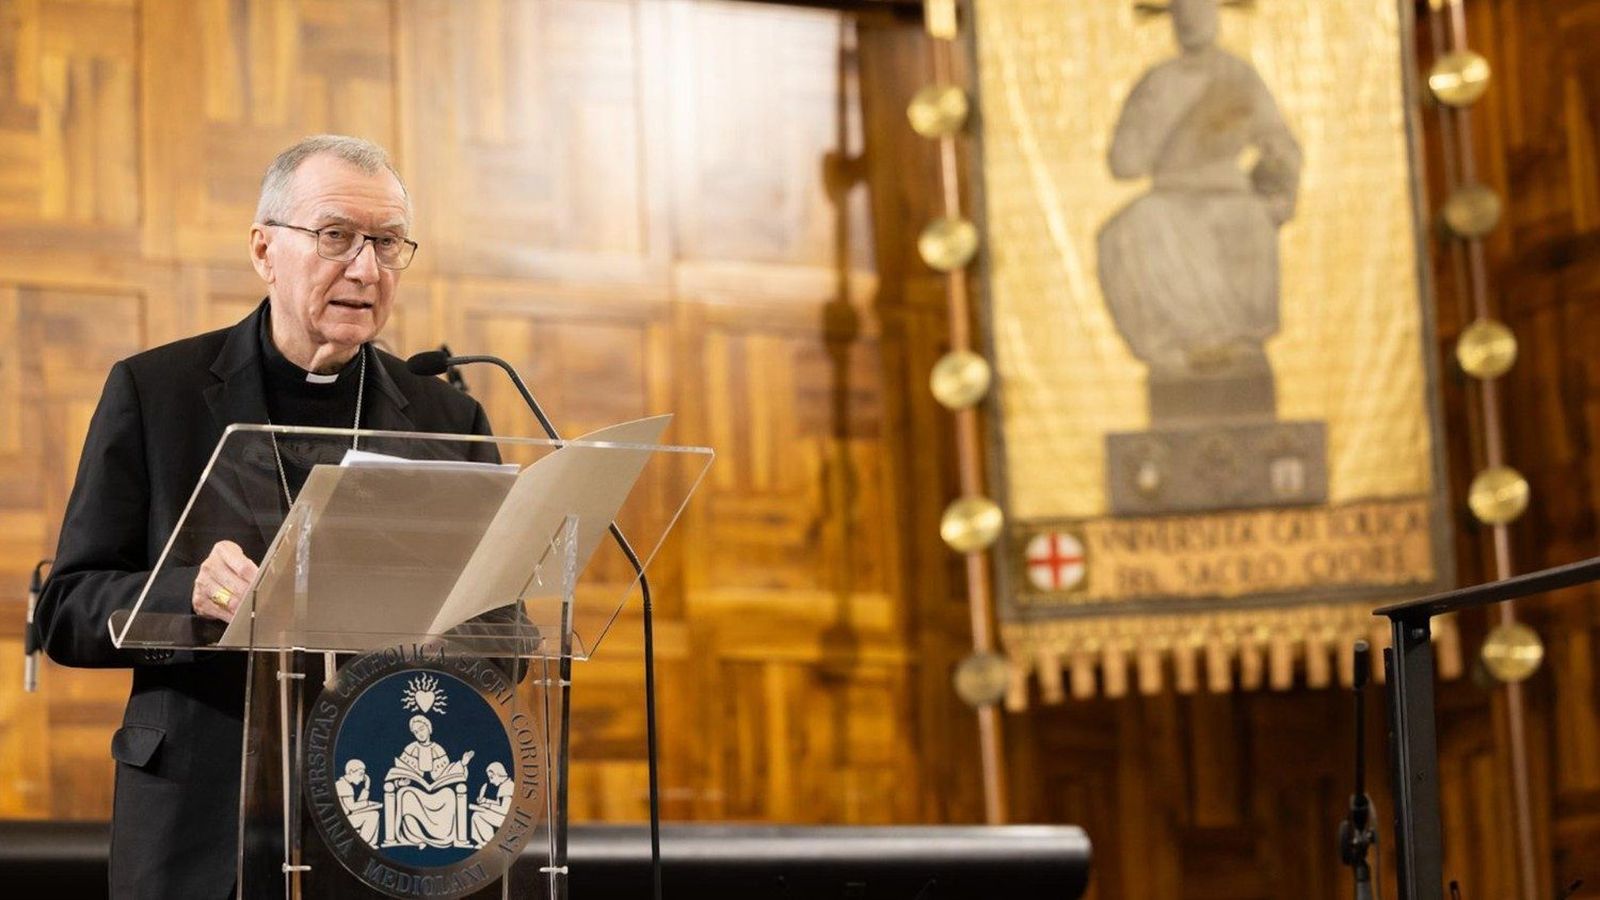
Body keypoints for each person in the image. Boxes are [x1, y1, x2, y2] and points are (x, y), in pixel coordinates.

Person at [35, 134, 496, 899]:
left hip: (382, 822)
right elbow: (67, 609)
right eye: (335, 236)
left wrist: (443, 627)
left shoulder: (448, 418)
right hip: (198, 823)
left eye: (386, 243)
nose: (365, 268)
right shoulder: (160, 393)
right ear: (263, 250)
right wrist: (186, 593)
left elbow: (501, 627)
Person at [1096, 0, 1301, 385]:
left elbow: (1280, 146)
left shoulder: (1239, 77)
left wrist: (1278, 195)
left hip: (1229, 194)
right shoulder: (1157, 83)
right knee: (1131, 228)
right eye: (1184, 11)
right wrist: (1152, 123)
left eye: (1201, 9)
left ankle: (1233, 344)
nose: (1193, 19)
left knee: (1246, 219)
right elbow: (1123, 164)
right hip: (1169, 195)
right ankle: (1178, 348)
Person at [336, 759, 382, 847]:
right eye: (360, 774)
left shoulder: (346, 784)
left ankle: (371, 844)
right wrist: (368, 803)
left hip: (347, 816)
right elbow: (352, 807)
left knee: (374, 813)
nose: (362, 779)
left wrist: (366, 787)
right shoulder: (343, 785)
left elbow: (358, 805)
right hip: (342, 819)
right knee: (373, 815)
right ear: (351, 772)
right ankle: (362, 844)